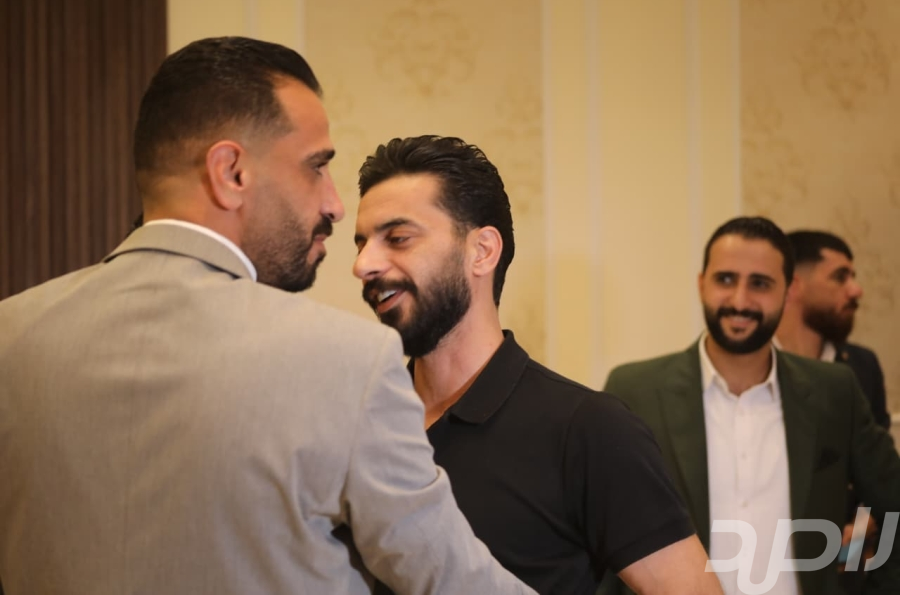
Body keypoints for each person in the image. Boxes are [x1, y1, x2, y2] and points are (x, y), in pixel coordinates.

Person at [0, 37, 536, 595]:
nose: (333, 204)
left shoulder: (9, 338)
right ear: (230, 172)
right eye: (316, 167)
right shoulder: (347, 361)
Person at [351, 135, 723, 595]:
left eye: (398, 239)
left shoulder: (589, 430)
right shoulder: (360, 422)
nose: (363, 264)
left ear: (482, 251)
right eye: (361, 243)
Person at [601, 217, 900, 595]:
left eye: (760, 283)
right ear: (702, 283)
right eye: (725, 279)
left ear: (789, 291)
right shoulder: (636, 390)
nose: (740, 301)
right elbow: (599, 532)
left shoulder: (835, 391)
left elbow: (894, 506)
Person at [777, 230, 890, 429]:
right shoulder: (753, 364)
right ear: (794, 286)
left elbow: (877, 447)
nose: (856, 290)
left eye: (852, 277)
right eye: (840, 277)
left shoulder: (863, 365)